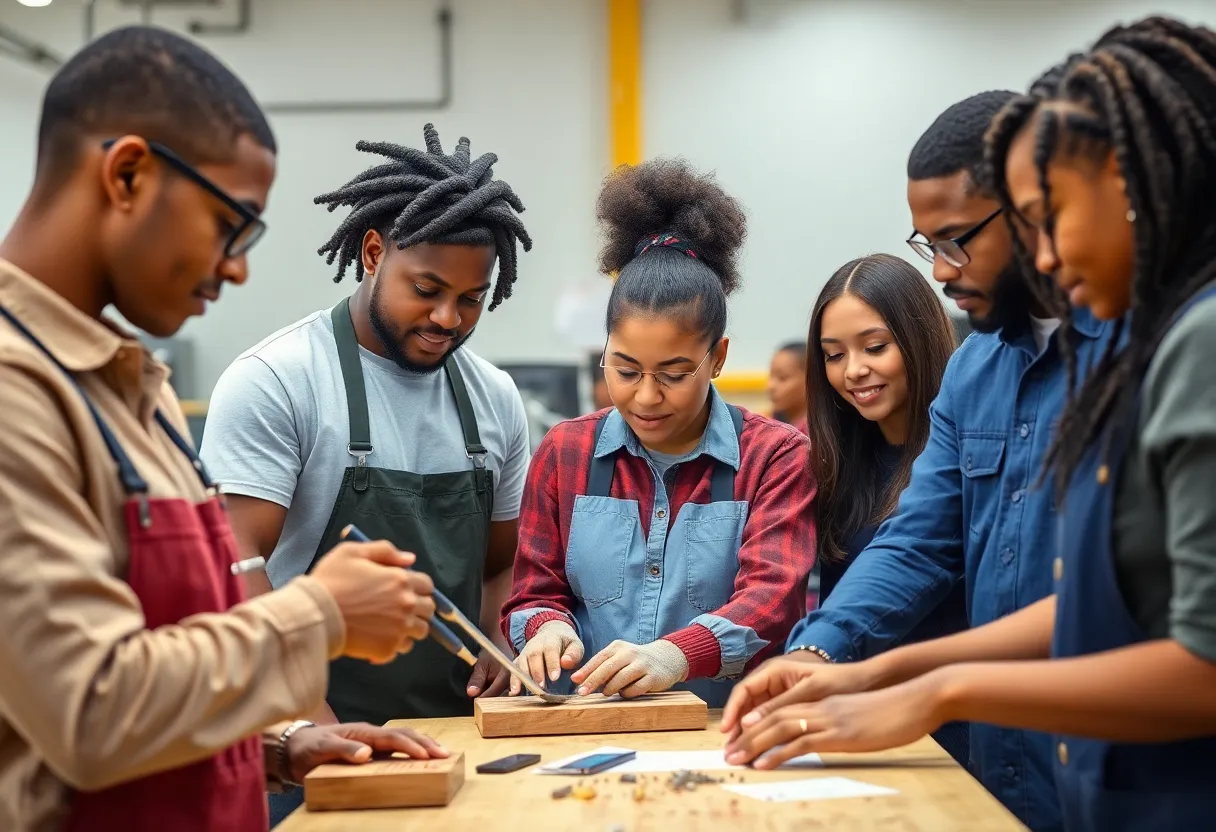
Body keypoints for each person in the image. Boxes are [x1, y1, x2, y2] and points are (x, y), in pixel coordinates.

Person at [723, 17, 1216, 830]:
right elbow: (1071, 592)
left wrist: (930, 686)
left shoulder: (1169, 342)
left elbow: (1185, 648)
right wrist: (837, 658)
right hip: (1025, 769)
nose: (1047, 254)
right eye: (930, 245)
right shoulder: (981, 364)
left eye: (1043, 215)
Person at [0, 26, 446, 832]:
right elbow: (91, 710)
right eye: (229, 223)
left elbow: (178, 646)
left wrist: (281, 743)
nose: (238, 265)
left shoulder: (138, 392)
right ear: (127, 173)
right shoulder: (14, 392)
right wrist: (321, 614)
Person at [199, 124, 533, 821]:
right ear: (374, 253)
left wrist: (499, 644)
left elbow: (501, 565)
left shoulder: (494, 399)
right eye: (427, 289)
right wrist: (311, 725)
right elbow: (236, 572)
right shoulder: (278, 381)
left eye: (472, 299)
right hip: (314, 742)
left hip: (452, 749)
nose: (448, 318)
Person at [500, 159, 817, 708]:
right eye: (624, 370)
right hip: (585, 726)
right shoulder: (565, 453)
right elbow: (534, 589)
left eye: (673, 374)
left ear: (717, 357)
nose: (646, 397)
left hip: (724, 730)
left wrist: (676, 655)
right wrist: (545, 627)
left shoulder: (774, 455)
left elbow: (773, 599)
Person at [804, 253, 969, 763]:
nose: (854, 370)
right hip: (858, 729)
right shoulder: (833, 466)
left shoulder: (959, 462)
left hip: (959, 725)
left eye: (875, 347)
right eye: (833, 355)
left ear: (918, 339)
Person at [766, 341, 807, 430]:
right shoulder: (765, 423)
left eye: (782, 378)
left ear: (811, 381)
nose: (770, 386)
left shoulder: (816, 434)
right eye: (771, 376)